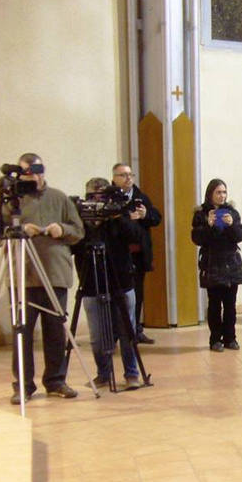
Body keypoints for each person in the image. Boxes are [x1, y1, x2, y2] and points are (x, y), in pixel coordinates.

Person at [0, 153, 84, 404]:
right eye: (29, 171)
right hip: (22, 276)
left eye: (39, 169)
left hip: (54, 274)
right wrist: (20, 230)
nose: (35, 175)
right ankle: (23, 385)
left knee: (55, 332)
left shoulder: (59, 197)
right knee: (21, 333)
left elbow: (78, 231)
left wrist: (61, 229)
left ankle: (56, 381)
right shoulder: (11, 201)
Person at [73, 177, 142, 389]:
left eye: (101, 197)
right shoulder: (81, 222)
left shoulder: (118, 216)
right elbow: (72, 246)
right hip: (91, 284)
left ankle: (132, 373)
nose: (96, 202)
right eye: (91, 197)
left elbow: (136, 236)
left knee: (127, 330)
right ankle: (103, 374)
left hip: (121, 282)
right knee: (97, 335)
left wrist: (117, 216)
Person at [191, 179, 242, 352]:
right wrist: (208, 225)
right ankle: (215, 339)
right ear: (210, 194)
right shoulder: (201, 213)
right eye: (218, 192)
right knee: (214, 304)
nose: (222, 196)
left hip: (231, 264)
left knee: (230, 305)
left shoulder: (232, 212)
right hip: (212, 264)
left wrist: (232, 225)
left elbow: (239, 236)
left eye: (224, 192)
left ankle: (230, 338)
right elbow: (197, 238)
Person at [111, 163, 162, 344]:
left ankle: (136, 330)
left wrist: (145, 215)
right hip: (117, 255)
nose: (128, 178)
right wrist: (125, 219)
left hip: (138, 255)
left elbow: (156, 218)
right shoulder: (110, 198)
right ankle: (116, 333)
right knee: (118, 295)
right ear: (114, 178)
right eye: (123, 175)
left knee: (137, 294)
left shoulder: (140, 197)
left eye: (130, 175)